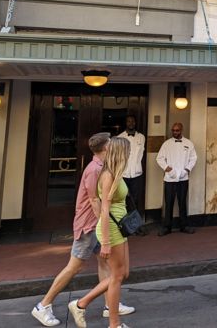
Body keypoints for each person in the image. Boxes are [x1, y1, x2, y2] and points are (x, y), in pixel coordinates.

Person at [31, 133, 135, 327]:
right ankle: (43, 305)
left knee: (106, 266)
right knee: (75, 266)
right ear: (105, 148)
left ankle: (109, 304)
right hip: (90, 225)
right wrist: (104, 233)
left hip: (98, 225)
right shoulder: (96, 170)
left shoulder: (104, 167)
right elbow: (95, 202)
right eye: (111, 144)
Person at [69, 137, 133, 328]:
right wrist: (104, 241)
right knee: (117, 276)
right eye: (127, 151)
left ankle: (81, 304)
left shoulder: (116, 172)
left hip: (120, 227)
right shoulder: (107, 176)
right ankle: (114, 324)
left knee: (123, 273)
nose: (130, 154)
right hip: (111, 229)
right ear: (121, 153)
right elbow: (104, 209)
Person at [156, 122, 197, 236]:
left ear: (181, 130)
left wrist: (187, 169)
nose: (175, 132)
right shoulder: (166, 144)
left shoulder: (189, 143)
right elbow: (159, 158)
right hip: (169, 179)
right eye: (173, 130)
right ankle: (167, 227)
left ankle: (184, 226)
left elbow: (193, 158)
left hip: (183, 178)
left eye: (177, 130)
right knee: (168, 203)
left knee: (182, 202)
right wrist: (167, 169)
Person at [118, 115, 146, 214]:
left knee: (136, 199)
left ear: (135, 123)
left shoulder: (141, 137)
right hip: (123, 174)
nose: (131, 123)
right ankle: (124, 224)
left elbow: (141, 154)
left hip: (137, 174)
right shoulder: (120, 137)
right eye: (129, 121)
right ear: (126, 123)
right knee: (123, 199)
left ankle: (134, 225)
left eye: (133, 121)